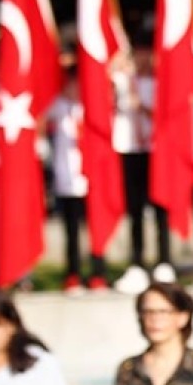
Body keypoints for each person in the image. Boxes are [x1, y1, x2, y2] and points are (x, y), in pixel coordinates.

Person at [112, 34, 176, 294]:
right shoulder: (123, 83)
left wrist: (144, 107)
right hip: (130, 150)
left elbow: (165, 116)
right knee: (135, 209)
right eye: (136, 54)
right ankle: (137, 262)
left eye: (145, 53)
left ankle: (164, 260)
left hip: (155, 151)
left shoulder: (159, 84)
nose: (141, 59)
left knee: (161, 206)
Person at [48, 65, 108, 292]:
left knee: (95, 229)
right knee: (71, 230)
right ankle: (73, 273)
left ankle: (98, 272)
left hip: (91, 178)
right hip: (67, 179)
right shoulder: (59, 107)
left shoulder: (92, 108)